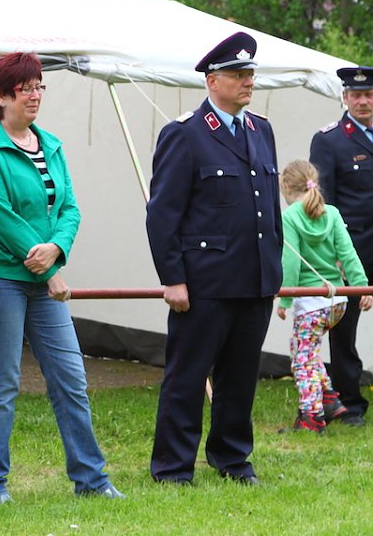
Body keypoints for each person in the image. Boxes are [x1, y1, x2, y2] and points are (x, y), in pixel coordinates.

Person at [0, 52, 124, 505]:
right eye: (25, 87)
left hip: (42, 274)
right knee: (2, 381)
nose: (35, 95)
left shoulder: (50, 142)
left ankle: (91, 480)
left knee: (70, 377)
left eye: (39, 86)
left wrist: (58, 250)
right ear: (0, 95)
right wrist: (50, 269)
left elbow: (69, 206)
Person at [145, 32, 282, 485]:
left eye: (250, 75)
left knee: (240, 379)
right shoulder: (184, 134)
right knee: (187, 378)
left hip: (254, 277)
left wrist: (274, 267)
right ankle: (172, 467)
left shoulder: (261, 130)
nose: (248, 83)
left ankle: (232, 459)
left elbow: (269, 209)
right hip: (204, 281)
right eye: (238, 75)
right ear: (211, 81)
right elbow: (163, 214)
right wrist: (173, 278)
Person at [276, 160, 373, 433]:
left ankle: (312, 417)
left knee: (302, 360)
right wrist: (361, 287)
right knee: (308, 350)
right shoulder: (331, 213)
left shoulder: (290, 217)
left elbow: (291, 263)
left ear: (286, 187)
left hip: (310, 303)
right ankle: (329, 398)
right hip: (337, 301)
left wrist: (285, 299)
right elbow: (349, 254)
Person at [308, 66, 373, 427]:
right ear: (344, 98)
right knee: (343, 328)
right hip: (352, 250)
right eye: (356, 95)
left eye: (369, 95)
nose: (363, 101)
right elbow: (322, 202)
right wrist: (333, 253)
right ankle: (348, 401)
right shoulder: (329, 140)